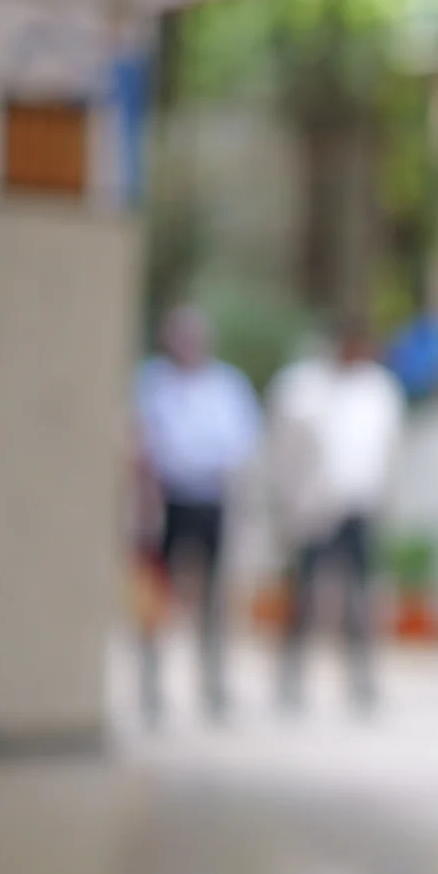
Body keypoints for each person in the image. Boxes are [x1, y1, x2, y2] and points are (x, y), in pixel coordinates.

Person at [270, 317, 405, 714]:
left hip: (359, 509)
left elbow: (389, 454)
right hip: (312, 510)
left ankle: (360, 680)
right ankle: (291, 678)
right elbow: (283, 450)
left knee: (360, 600)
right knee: (304, 598)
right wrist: (289, 502)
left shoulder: (379, 391)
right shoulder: (304, 389)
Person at [133, 305, 261, 723]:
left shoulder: (227, 386)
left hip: (212, 499)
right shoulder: (153, 382)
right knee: (157, 593)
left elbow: (241, 442)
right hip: (167, 500)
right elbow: (142, 440)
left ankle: (213, 683)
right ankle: (151, 682)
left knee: (214, 596)